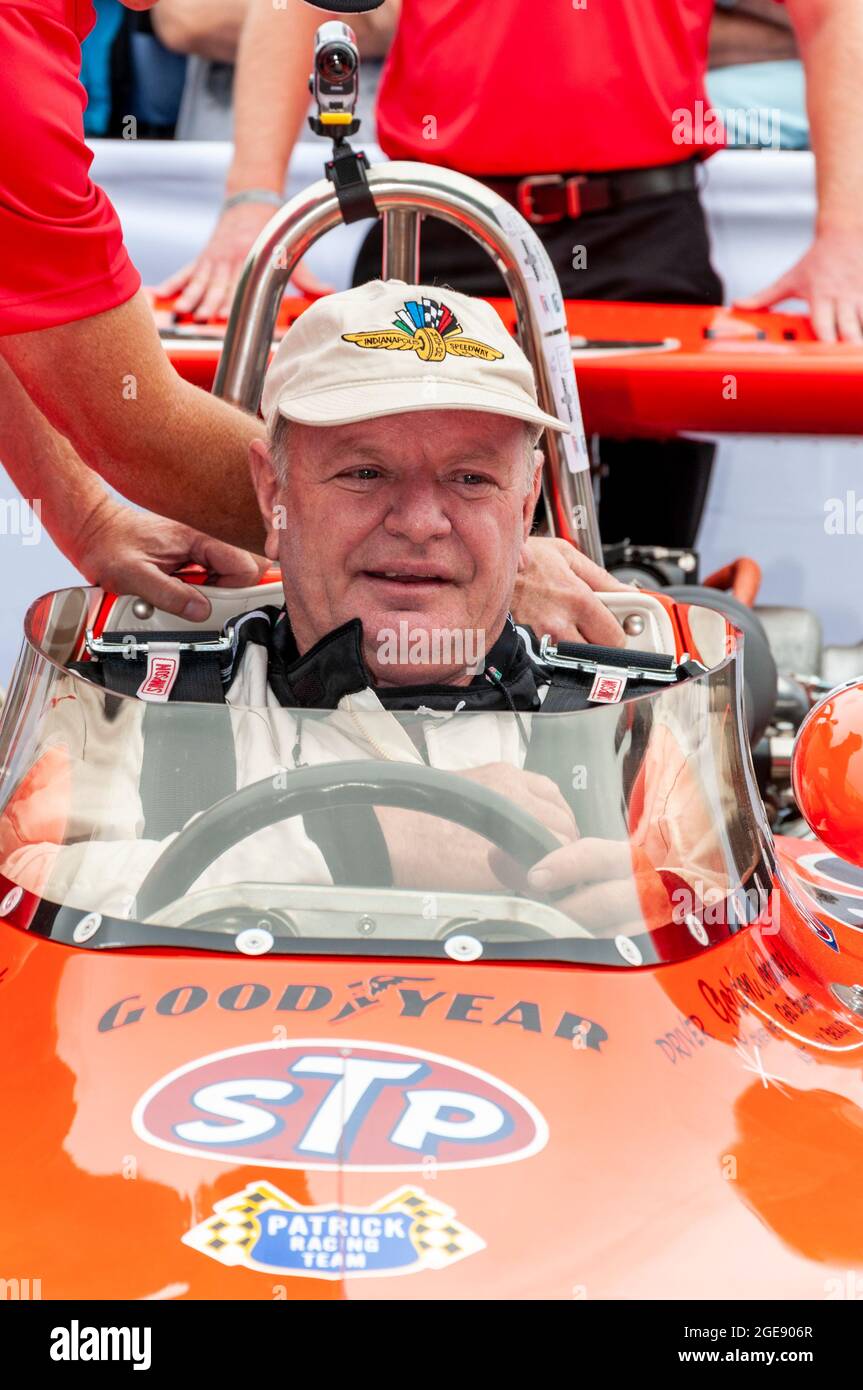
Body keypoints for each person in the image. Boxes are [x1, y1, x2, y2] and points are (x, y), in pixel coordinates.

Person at [0, 281, 736, 941]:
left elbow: (736, 960)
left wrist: (668, 911)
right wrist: (353, 843)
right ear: (271, 490)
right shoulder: (134, 680)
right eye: (364, 472)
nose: (420, 521)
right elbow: (25, 895)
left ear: (527, 502)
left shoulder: (643, 707)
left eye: (470, 477)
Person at [0, 0, 616, 629]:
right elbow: (129, 421)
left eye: (472, 480)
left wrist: (86, 515)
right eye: (365, 472)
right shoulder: (15, 70)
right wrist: (487, 557)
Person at [166, 0, 863, 551]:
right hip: (434, 222)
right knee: (395, 537)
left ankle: (625, 719)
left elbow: (832, 12)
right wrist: (250, 201)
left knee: (640, 567)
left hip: (641, 225)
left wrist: (845, 234)